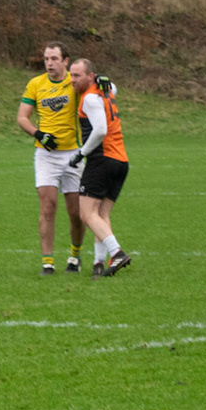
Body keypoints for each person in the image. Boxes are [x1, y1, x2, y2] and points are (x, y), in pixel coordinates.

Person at [17, 42, 87, 274]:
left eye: (54, 59)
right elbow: (22, 117)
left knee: (76, 212)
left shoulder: (73, 82)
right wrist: (39, 134)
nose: (49, 63)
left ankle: (75, 257)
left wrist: (106, 83)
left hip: (73, 154)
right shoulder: (36, 84)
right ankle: (47, 262)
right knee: (48, 207)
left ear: (65, 61)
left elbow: (97, 88)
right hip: (45, 155)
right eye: (47, 59)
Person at [69, 59, 131, 277]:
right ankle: (98, 263)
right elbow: (113, 87)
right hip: (120, 161)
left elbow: (100, 130)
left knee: (86, 214)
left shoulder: (89, 98)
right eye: (71, 75)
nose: (72, 80)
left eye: (77, 75)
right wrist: (105, 79)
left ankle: (117, 253)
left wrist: (81, 153)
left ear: (90, 76)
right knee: (101, 214)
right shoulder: (106, 90)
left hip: (102, 160)